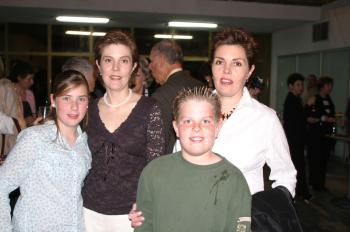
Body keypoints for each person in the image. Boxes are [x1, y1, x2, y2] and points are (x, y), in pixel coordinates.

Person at [129, 28, 297, 228]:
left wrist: (265, 214)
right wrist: (150, 207)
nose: (227, 71)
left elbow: (285, 176)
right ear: (212, 66)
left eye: (237, 63)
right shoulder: (193, 108)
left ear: (249, 70)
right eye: (220, 62)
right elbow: (175, 167)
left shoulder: (264, 119)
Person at [81, 30, 165, 232]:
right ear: (99, 66)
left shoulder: (150, 109)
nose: (116, 68)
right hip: (87, 212)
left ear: (134, 67)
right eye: (109, 60)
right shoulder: (87, 109)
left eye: (124, 61)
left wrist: (146, 203)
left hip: (131, 216)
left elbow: (156, 167)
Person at [135, 87, 251, 232]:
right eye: (188, 121)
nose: (196, 128)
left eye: (206, 121)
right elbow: (143, 225)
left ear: (217, 127)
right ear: (176, 127)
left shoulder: (234, 180)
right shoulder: (153, 172)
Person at [0, 70, 91, 232]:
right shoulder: (35, 138)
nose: (74, 106)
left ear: (88, 102)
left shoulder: (84, 143)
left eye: (81, 99)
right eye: (66, 98)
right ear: (53, 100)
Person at [149, 39, 204, 154]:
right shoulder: (201, 86)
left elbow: (157, 143)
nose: (150, 67)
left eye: (152, 61)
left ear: (161, 60)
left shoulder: (161, 95)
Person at [283, 73, 311, 203]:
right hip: (293, 141)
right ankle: (298, 193)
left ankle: (299, 192)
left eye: (301, 85)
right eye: (298, 85)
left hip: (297, 140)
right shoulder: (291, 101)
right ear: (291, 86)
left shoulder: (296, 100)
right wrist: (307, 106)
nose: (301, 87)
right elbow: (297, 119)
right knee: (296, 166)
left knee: (298, 166)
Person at [305, 76, 335, 192]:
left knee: (324, 160)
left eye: (330, 86)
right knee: (315, 160)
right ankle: (314, 183)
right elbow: (308, 115)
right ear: (322, 86)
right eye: (328, 85)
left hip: (326, 135)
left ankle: (321, 184)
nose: (330, 88)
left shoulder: (329, 99)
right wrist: (323, 118)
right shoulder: (314, 98)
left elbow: (330, 113)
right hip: (315, 135)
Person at [8, 60, 37, 126]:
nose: (32, 82)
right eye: (29, 79)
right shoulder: (8, 92)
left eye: (33, 78)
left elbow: (33, 116)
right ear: (19, 78)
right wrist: (25, 120)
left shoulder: (30, 94)